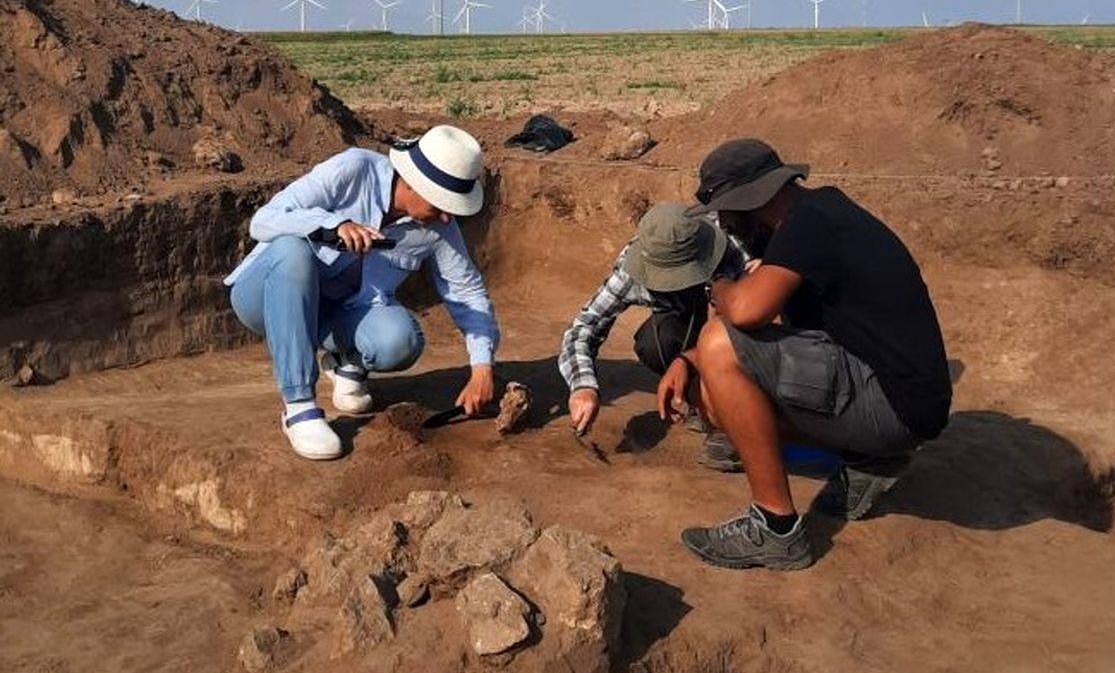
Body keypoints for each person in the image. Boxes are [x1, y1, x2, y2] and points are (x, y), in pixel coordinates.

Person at [657, 139, 951, 570]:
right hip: (901, 403)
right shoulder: (816, 216)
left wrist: (718, 286)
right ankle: (867, 459)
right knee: (716, 404)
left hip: (891, 405)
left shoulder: (808, 226)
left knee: (719, 340)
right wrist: (687, 361)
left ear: (752, 198)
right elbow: (775, 336)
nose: (723, 222)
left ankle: (775, 528)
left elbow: (743, 312)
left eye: (726, 209)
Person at [224, 125, 499, 460]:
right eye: (441, 203)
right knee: (293, 250)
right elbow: (264, 221)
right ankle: (299, 406)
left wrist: (482, 368)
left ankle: (346, 362)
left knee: (400, 339)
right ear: (413, 183)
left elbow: (466, 290)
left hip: (333, 318)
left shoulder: (439, 226)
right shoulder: (353, 169)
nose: (446, 215)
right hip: (263, 298)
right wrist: (331, 226)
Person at [559, 202, 750, 470]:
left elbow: (759, 326)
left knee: (738, 335)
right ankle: (701, 400)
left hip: (740, 326)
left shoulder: (732, 250)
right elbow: (582, 329)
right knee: (656, 341)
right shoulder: (632, 268)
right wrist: (583, 386)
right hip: (687, 323)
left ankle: (734, 418)